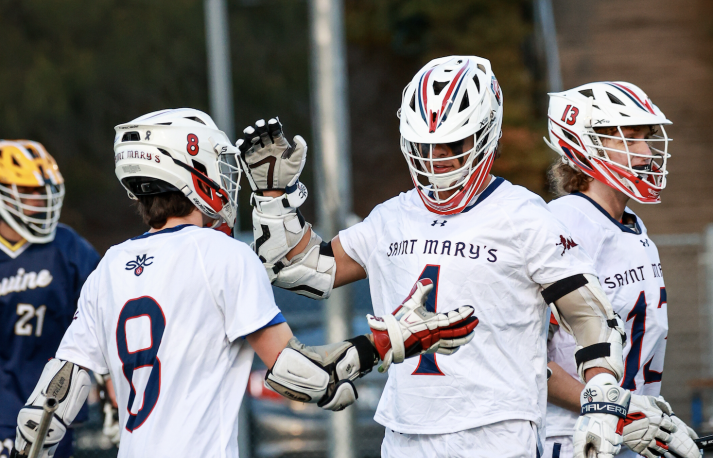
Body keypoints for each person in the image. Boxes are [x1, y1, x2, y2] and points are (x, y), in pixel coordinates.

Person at [12, 108, 478, 458]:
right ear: (189, 170)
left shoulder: (109, 266)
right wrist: (390, 341)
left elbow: (46, 411)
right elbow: (306, 380)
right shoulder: (223, 255)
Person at [237, 56, 634, 458]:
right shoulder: (392, 216)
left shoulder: (523, 214)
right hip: (405, 432)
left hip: (496, 432)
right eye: (425, 145)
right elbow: (301, 271)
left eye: (453, 143)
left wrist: (601, 398)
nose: (437, 156)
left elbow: (590, 315)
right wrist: (272, 199)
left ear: (485, 134)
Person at [541, 82, 701, 458]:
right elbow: (529, 360)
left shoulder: (632, 225)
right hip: (573, 439)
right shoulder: (561, 226)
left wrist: (643, 415)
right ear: (585, 147)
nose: (646, 153)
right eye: (629, 140)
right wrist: (614, 411)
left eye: (646, 138)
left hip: (628, 435)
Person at [0, 140, 100, 458]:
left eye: (43, 190)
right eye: (28, 190)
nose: (39, 198)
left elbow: (104, 320)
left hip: (53, 413)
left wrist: (111, 394)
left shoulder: (69, 247)